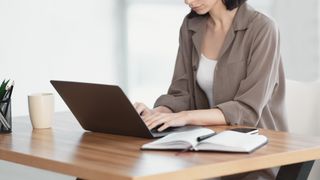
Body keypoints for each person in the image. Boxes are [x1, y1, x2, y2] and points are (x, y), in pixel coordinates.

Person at [134, 0, 288, 179]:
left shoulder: (263, 28)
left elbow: (247, 110)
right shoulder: (190, 25)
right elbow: (181, 92)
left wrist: (185, 117)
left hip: (257, 154)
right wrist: (158, 113)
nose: (188, 1)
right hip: (208, 151)